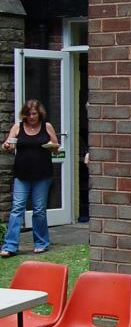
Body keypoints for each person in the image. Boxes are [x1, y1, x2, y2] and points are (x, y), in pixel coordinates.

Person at [1, 100, 60, 257]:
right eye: (28, 114)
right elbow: (8, 144)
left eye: (34, 113)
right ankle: (10, 246)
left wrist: (53, 147)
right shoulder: (18, 127)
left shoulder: (47, 127)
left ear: (39, 113)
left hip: (42, 174)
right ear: (24, 115)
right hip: (22, 174)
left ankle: (41, 243)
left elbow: (56, 149)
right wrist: (7, 146)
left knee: (39, 210)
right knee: (17, 208)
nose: (32, 117)